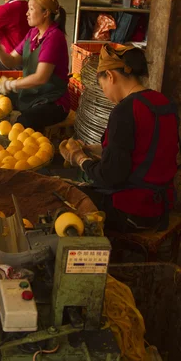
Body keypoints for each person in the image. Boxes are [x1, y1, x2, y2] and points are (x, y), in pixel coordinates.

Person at [59, 44, 179, 233]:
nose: (105, 93)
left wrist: (79, 159)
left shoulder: (124, 110)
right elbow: (142, 148)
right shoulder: (164, 102)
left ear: (110, 76)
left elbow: (110, 177)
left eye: (102, 85)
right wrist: (89, 149)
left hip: (134, 212)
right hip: (162, 204)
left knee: (60, 195)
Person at [0, 0, 70, 132]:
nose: (27, 13)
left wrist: (11, 84)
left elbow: (41, 78)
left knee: (23, 123)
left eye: (31, 9)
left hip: (52, 101)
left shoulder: (54, 37)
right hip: (33, 95)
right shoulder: (33, 34)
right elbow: (12, 61)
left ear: (46, 13)